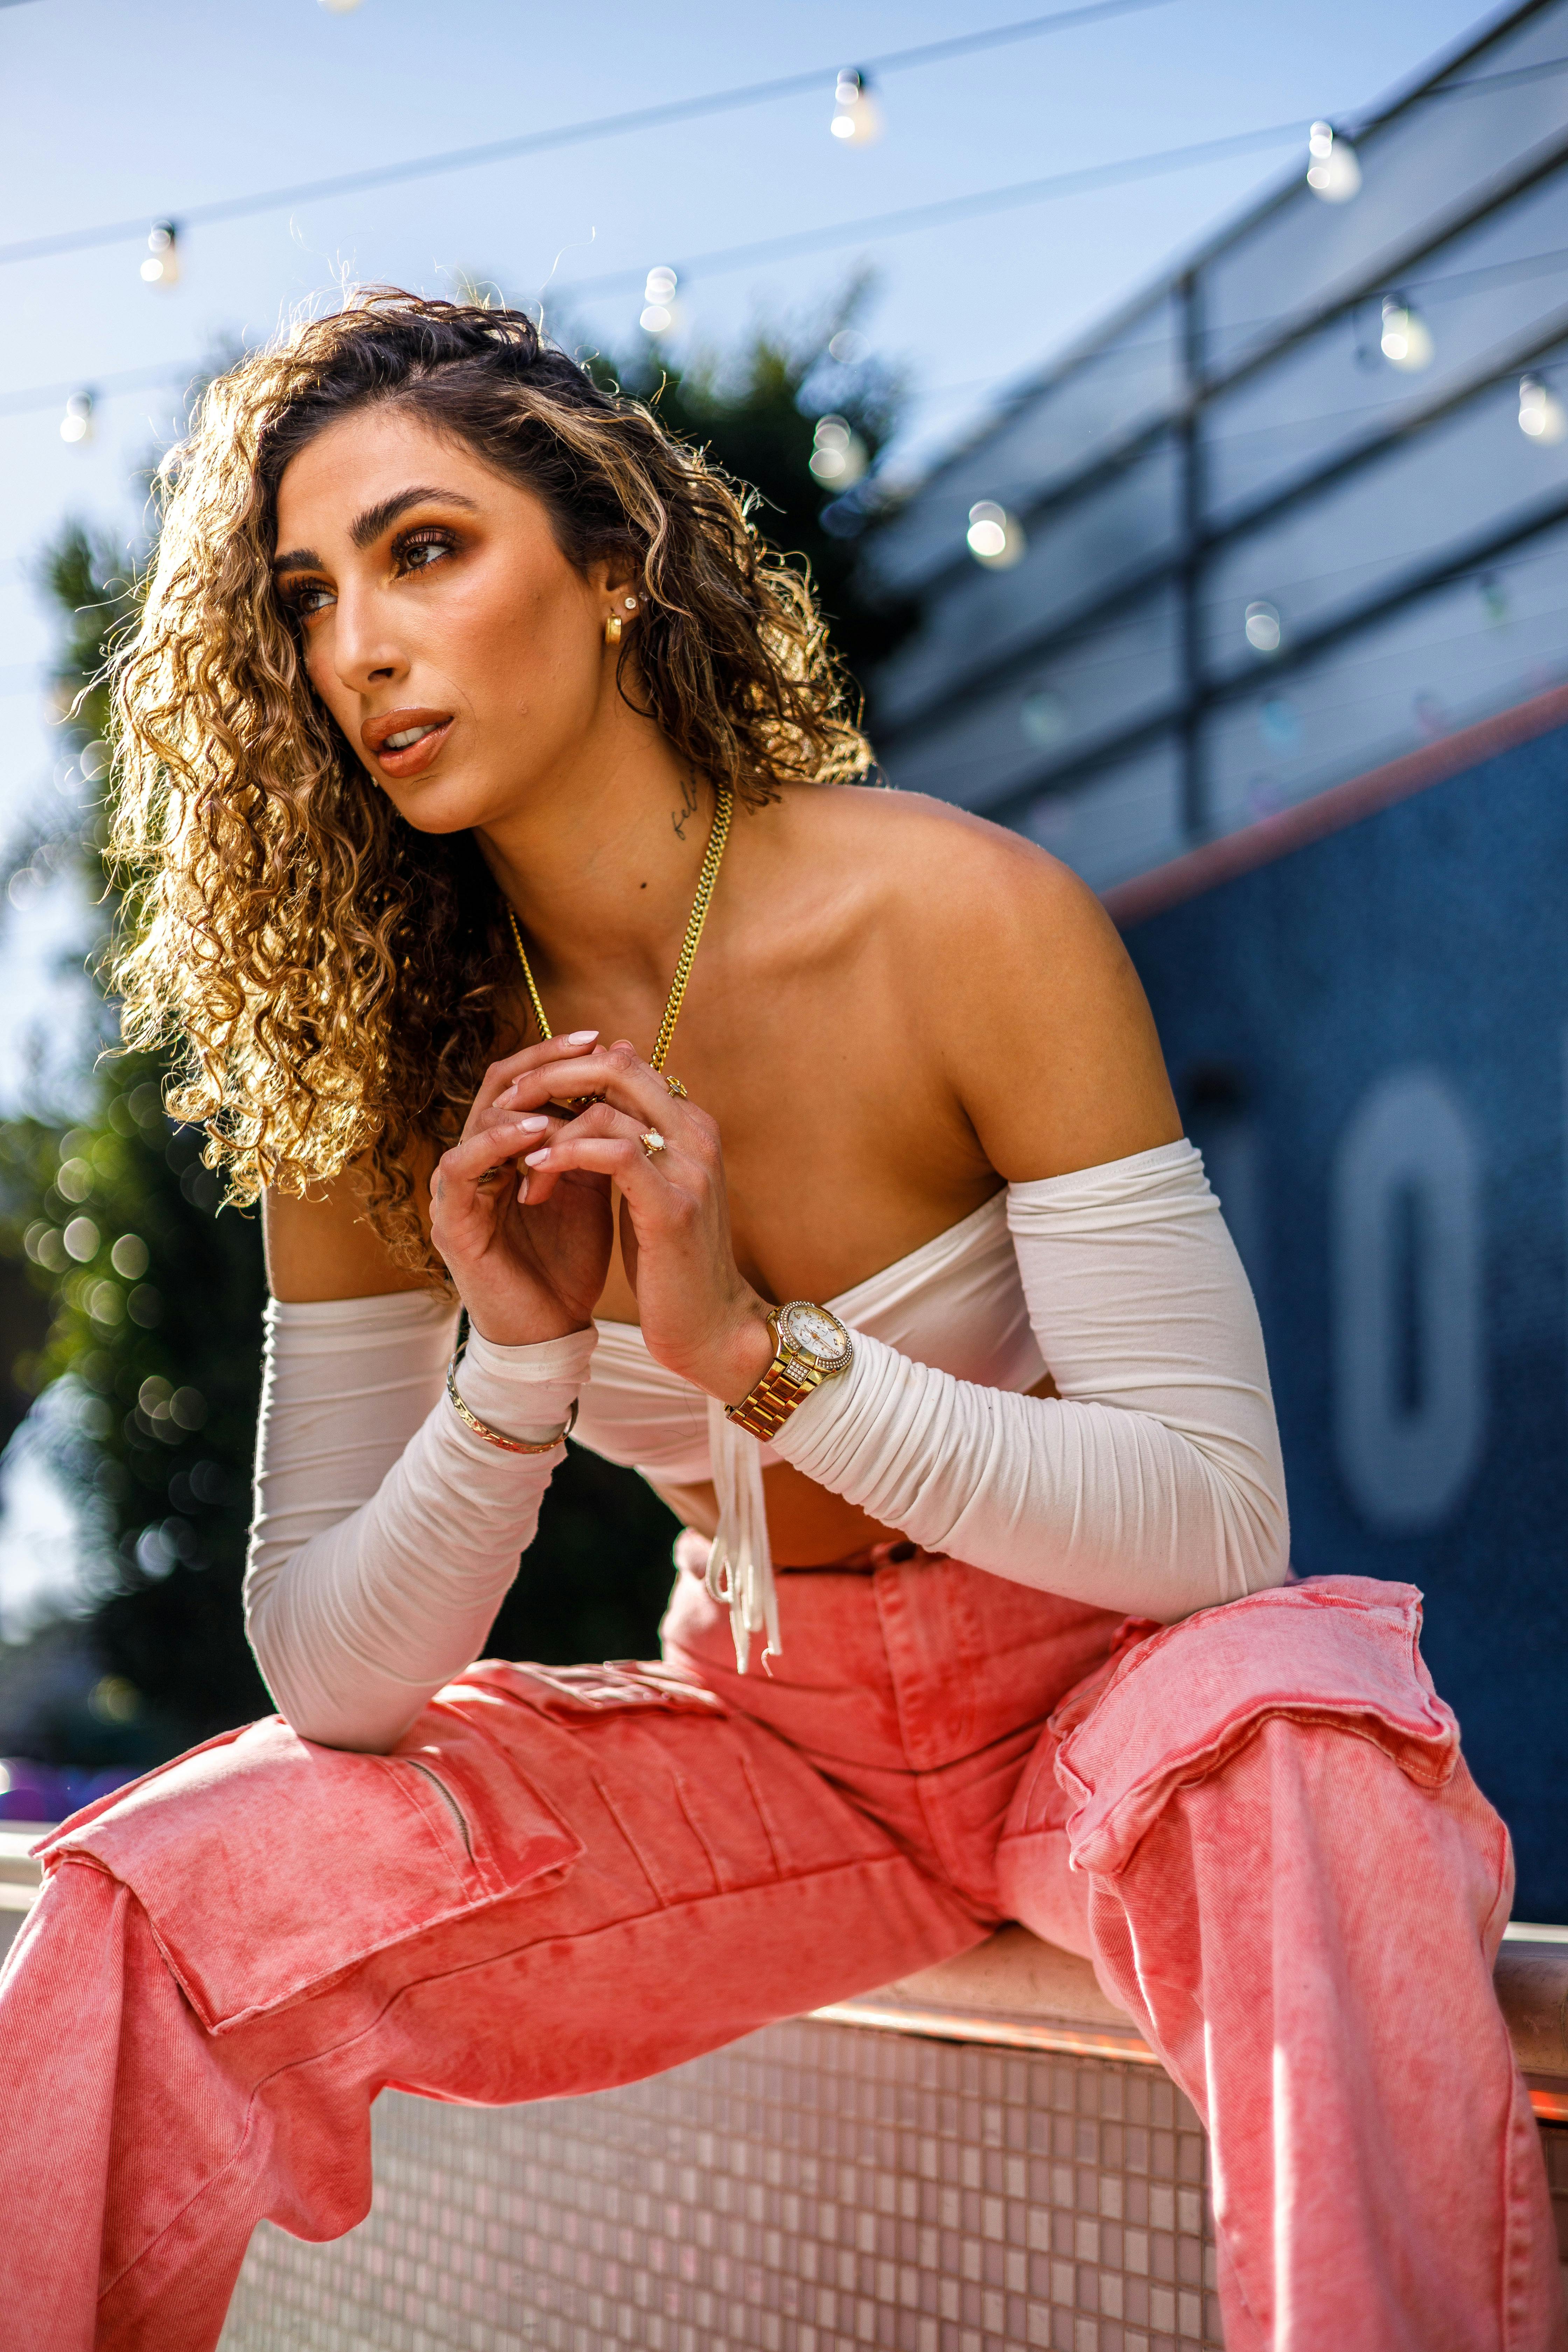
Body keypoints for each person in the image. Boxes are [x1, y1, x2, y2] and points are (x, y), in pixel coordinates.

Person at [0, 291, 1558, 2352]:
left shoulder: (957, 921)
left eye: (427, 548)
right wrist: (520, 1372)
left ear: (617, 567)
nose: (355, 645)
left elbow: (1213, 1530)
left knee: (1302, 1743)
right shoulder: (368, 1077)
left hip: (1112, 1711)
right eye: (304, 594)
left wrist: (759, 1355)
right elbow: (331, 1674)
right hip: (769, 1745)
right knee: (148, 1891)